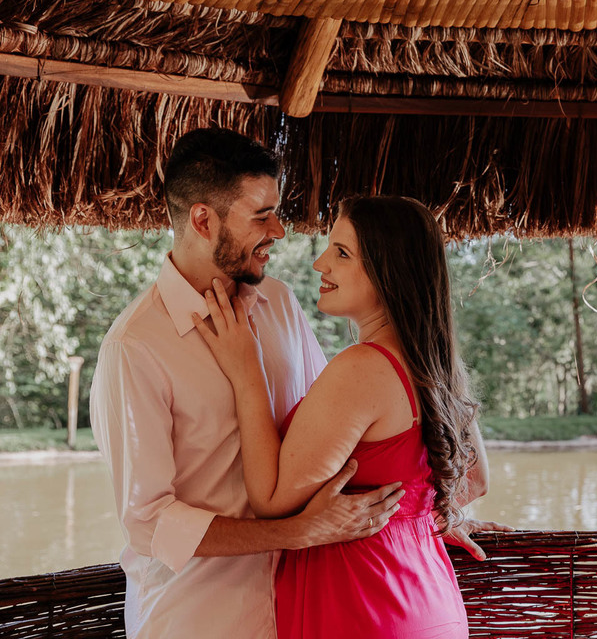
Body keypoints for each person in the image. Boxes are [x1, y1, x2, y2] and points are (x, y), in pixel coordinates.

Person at [90, 128, 406, 639]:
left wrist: (431, 512)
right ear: (203, 220)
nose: (279, 230)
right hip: (197, 620)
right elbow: (148, 521)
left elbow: (336, 437)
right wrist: (296, 532)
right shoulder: (133, 348)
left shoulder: (279, 302)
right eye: (262, 216)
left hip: (303, 610)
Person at [193, 195, 490, 639]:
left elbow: (270, 499)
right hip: (426, 595)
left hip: (364, 605)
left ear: (390, 271)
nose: (320, 263)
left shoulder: (363, 367)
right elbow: (474, 481)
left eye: (342, 253)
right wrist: (413, 520)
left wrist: (247, 374)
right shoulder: (437, 365)